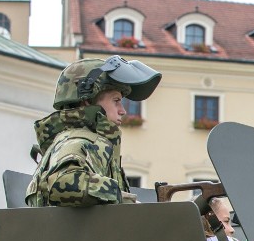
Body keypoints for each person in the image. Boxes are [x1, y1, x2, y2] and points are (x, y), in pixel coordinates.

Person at [26, 55, 161, 207]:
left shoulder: (86, 140)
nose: (122, 110)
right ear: (87, 101)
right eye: (116, 101)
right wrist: (123, 198)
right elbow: (61, 183)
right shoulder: (79, 141)